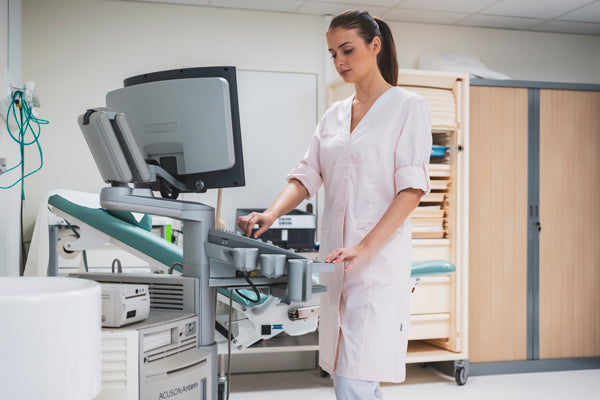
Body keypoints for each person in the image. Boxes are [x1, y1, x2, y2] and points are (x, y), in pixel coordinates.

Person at [237, 9, 432, 400]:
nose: (340, 62)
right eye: (332, 54)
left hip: (377, 263)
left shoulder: (407, 107)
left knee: (354, 377)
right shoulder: (334, 115)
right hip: (337, 262)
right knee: (349, 372)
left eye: (348, 50)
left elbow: (411, 190)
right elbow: (308, 173)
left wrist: (365, 247)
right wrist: (271, 213)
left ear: (374, 46)